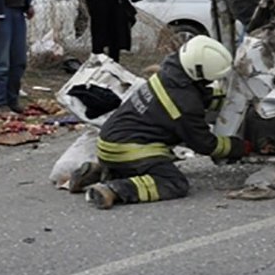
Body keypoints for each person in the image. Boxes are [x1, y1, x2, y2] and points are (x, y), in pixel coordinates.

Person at [68, 36, 252, 209]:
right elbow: (204, 144)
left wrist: (226, 101)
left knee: (142, 166)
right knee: (173, 183)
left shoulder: (170, 72)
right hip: (130, 149)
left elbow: (194, 94)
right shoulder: (184, 103)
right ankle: (114, 189)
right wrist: (240, 147)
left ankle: (99, 172)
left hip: (109, 142)